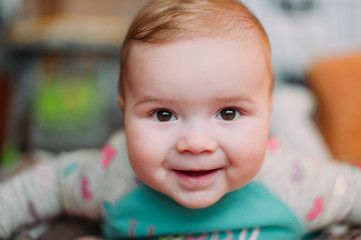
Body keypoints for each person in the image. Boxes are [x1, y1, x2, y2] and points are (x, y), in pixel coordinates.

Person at [1, 0, 361, 239]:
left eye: (228, 113)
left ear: (268, 113)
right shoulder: (112, 174)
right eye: (163, 114)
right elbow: (39, 187)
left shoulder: (290, 180)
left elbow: (351, 189)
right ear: (124, 113)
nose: (196, 143)